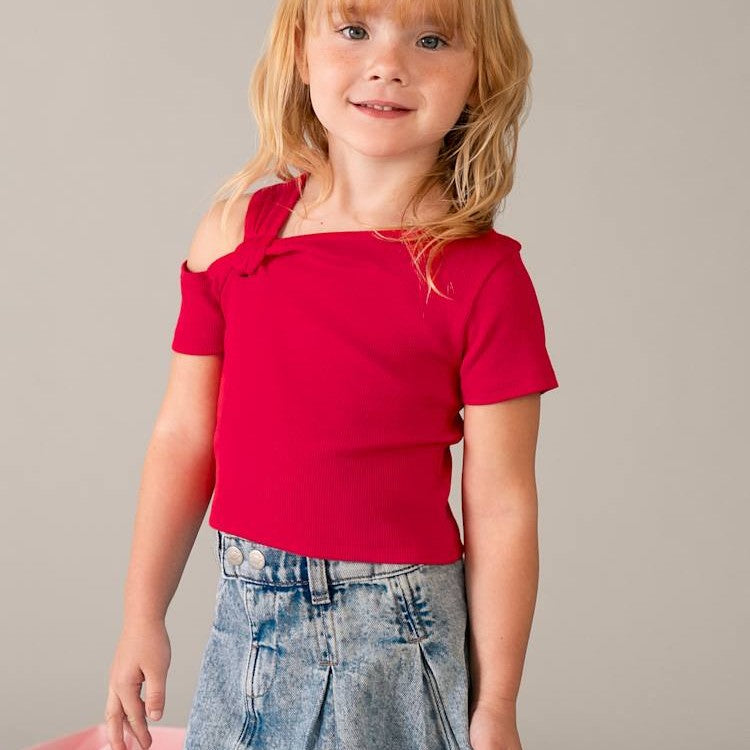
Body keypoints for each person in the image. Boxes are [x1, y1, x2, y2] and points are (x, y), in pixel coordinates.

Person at [104, 0, 560, 748]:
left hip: (399, 634)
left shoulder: (484, 277)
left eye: (431, 39)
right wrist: (141, 615)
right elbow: (184, 436)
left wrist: (498, 702)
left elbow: (503, 503)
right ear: (300, 52)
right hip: (248, 620)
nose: (388, 65)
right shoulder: (234, 236)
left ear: (480, 77)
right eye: (355, 31)